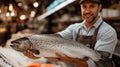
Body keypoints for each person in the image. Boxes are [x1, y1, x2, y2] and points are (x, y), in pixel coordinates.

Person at [23, 0, 118, 67]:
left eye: (92, 6)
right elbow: (55, 39)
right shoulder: (74, 28)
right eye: (84, 7)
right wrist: (38, 53)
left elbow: (96, 64)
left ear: (99, 7)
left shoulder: (107, 31)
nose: (87, 11)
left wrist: (67, 59)